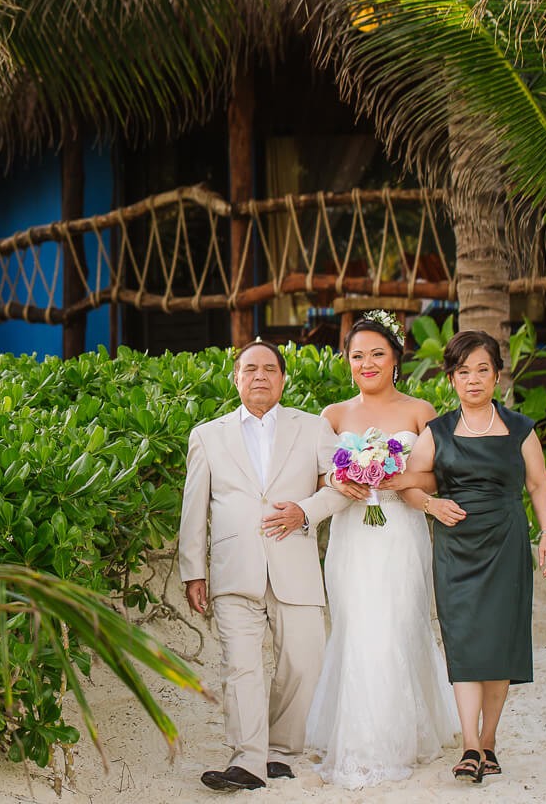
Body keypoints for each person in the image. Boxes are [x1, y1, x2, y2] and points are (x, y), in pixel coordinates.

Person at [381, 329, 546, 784]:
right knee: (462, 639)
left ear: (496, 376)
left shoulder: (520, 428)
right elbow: (407, 482)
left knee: (500, 643)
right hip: (456, 545)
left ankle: (490, 741)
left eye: (482, 370)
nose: (473, 379)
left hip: (506, 541)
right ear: (452, 379)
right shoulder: (438, 431)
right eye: (464, 372)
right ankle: (469, 746)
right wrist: (432, 505)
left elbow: (538, 484)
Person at [178, 339, 349, 792]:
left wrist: (304, 511)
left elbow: (341, 486)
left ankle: (282, 752)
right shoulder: (207, 435)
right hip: (235, 569)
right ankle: (247, 760)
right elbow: (194, 507)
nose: (259, 376)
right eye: (250, 369)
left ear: (283, 379)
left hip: (294, 561)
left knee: (303, 661)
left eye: (269, 369)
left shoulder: (313, 428)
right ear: (235, 378)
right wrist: (194, 570)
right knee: (242, 667)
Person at [304, 312, 458, 788]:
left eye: (377, 354)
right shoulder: (332, 416)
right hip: (351, 537)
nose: (366, 363)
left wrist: (396, 476)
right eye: (357, 356)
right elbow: (314, 478)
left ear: (396, 359)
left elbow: (439, 475)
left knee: (396, 625)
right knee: (356, 629)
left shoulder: (420, 411)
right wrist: (338, 477)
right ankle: (360, 739)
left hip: (401, 530)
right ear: (347, 362)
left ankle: (395, 739)